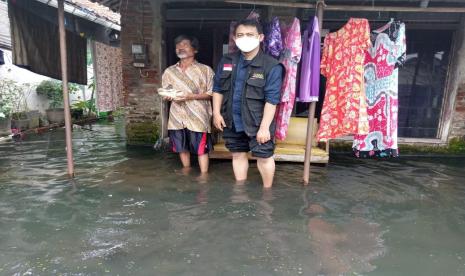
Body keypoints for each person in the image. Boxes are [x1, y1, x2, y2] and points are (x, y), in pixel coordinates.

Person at [212, 19, 284, 188]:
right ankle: (241, 190)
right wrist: (216, 113)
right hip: (232, 119)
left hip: (257, 122)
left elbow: (272, 100)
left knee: (264, 156)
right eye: (240, 35)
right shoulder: (227, 60)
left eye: (250, 35)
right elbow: (217, 88)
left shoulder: (271, 66)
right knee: (237, 154)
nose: (244, 38)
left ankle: (267, 192)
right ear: (235, 38)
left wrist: (265, 127)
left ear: (260, 37)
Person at [161, 35, 215, 174]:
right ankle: (186, 170)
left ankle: (204, 175)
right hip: (177, 116)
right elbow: (166, 92)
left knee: (201, 148)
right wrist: (168, 96)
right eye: (178, 45)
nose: (180, 47)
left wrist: (190, 96)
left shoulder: (205, 70)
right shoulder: (169, 71)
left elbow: (212, 93)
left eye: (185, 44)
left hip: (198, 115)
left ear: (195, 49)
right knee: (181, 146)